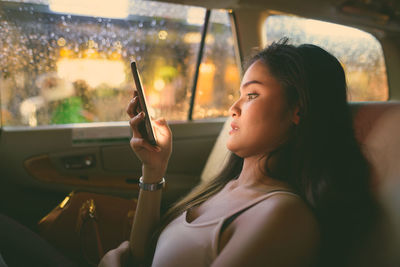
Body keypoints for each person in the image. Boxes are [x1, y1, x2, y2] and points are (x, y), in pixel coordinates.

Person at [99, 39, 378, 267]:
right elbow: (141, 259)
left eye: (252, 95)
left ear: (298, 109)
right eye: (239, 94)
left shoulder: (284, 214)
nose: (234, 107)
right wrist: (154, 169)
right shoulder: (223, 187)